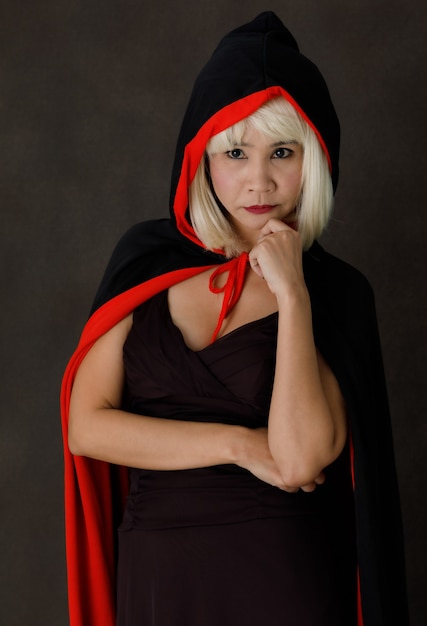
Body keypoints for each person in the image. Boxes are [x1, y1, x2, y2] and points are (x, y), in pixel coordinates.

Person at [61, 11, 409, 626]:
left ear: (316, 159)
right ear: (202, 157)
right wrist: (238, 445)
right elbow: (86, 427)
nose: (260, 181)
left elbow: (301, 461)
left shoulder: (337, 293)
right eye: (235, 152)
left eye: (282, 152)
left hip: (283, 581)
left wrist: (294, 295)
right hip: (158, 583)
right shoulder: (146, 262)